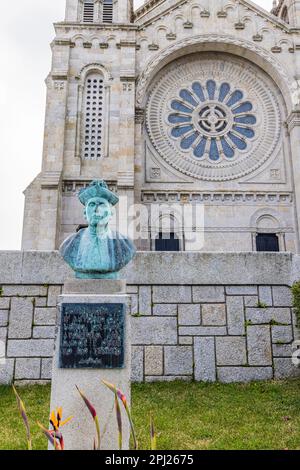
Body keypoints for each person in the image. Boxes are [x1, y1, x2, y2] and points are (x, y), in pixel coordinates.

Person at [59, 180, 136, 279]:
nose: (96, 209)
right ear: (84, 213)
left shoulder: (125, 245)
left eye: (102, 204)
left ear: (111, 213)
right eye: (92, 205)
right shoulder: (68, 245)